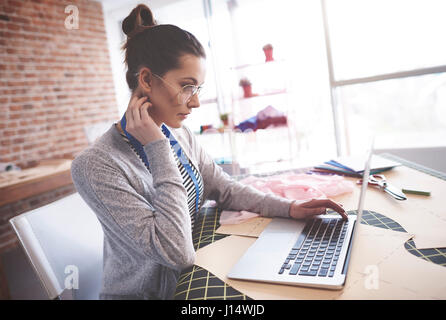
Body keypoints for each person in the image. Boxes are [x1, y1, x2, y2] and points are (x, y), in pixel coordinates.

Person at [71, 4, 347, 300]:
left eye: (198, 88)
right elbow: (175, 252)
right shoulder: (95, 165)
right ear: (147, 80)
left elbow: (223, 188)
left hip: (195, 273)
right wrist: (157, 148)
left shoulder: (178, 133)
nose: (196, 103)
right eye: (187, 87)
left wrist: (289, 208)